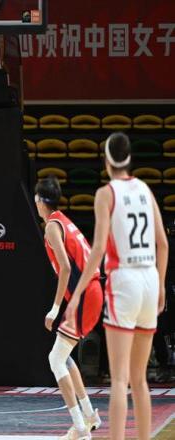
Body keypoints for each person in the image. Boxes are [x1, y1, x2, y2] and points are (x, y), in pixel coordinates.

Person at [67, 132, 169, 440]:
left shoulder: (105, 193)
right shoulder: (145, 190)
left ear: (107, 160)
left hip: (124, 279)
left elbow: (98, 249)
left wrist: (76, 296)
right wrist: (161, 286)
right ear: (129, 159)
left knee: (120, 380)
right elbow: (163, 243)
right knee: (140, 380)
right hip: (149, 278)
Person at [34, 176, 103, 440]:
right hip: (91, 292)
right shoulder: (63, 220)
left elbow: (64, 267)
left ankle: (80, 429)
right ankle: (90, 415)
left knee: (55, 359)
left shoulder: (52, 227)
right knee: (65, 356)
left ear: (40, 201)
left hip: (86, 294)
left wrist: (54, 308)